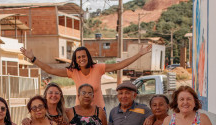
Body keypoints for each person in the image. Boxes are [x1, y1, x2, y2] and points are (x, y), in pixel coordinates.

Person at [20, 44, 151, 108]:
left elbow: (120, 65)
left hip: (98, 111)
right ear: (75, 60)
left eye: (83, 56)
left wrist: (139, 54)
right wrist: (33, 59)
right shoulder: (73, 72)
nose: (81, 59)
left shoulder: (98, 68)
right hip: (80, 111)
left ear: (88, 57)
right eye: (78, 57)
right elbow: (50, 69)